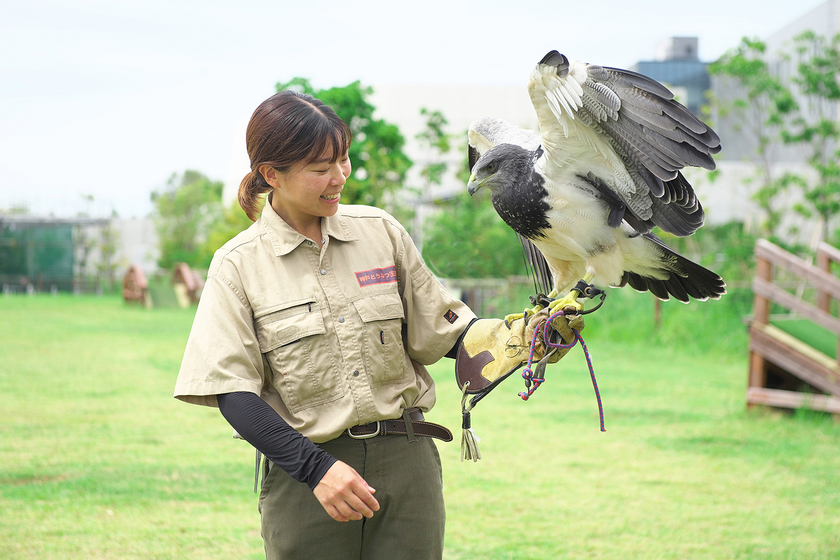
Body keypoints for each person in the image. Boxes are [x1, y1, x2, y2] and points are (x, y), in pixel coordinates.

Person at [173, 90, 581, 560]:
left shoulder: (380, 232)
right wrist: (317, 471)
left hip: (408, 465)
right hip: (307, 475)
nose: (339, 177)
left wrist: (523, 337)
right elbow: (233, 394)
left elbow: (445, 331)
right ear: (271, 175)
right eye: (320, 167)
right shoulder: (238, 266)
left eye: (343, 160)